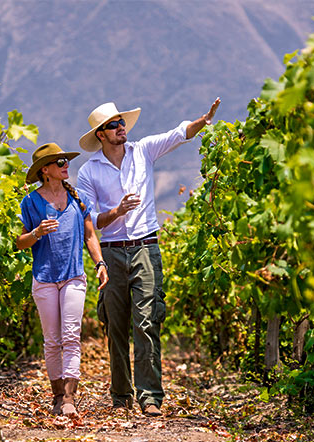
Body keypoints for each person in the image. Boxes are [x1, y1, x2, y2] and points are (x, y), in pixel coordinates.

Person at [76, 98, 221, 417]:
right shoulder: (88, 172)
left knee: (147, 320)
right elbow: (90, 220)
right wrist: (116, 212)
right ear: (101, 134)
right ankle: (120, 395)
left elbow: (179, 134)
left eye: (122, 123)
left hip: (146, 247)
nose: (121, 129)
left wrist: (203, 120)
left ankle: (150, 396)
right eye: (114, 126)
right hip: (113, 252)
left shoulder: (143, 150)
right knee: (115, 325)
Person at [16, 142, 109, 418]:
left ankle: (69, 398)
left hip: (74, 276)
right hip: (44, 278)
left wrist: (100, 263)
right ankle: (57, 395)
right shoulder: (31, 202)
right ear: (45, 170)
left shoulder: (77, 198)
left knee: (71, 336)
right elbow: (19, 242)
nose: (65, 165)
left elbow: (91, 236)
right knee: (51, 339)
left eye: (65, 161)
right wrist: (36, 233)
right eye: (59, 163)